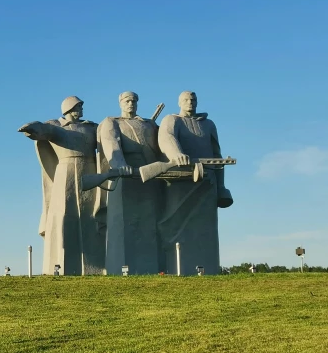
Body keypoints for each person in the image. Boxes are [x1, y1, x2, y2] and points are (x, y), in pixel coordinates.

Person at [19, 96, 125, 275]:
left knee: (90, 217)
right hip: (65, 172)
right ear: (68, 109)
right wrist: (31, 128)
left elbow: (109, 140)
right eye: (78, 106)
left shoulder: (92, 127)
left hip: (90, 171)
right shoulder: (57, 126)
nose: (81, 109)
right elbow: (43, 130)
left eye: (81, 106)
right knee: (64, 216)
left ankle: (96, 268)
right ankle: (61, 265)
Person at [157, 91, 233, 275]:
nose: (190, 102)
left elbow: (217, 156)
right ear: (179, 102)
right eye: (186, 100)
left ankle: (208, 268)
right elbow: (166, 138)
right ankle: (173, 267)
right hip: (180, 181)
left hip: (207, 181)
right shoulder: (172, 120)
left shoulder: (208, 124)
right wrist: (176, 154)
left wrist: (221, 186)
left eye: (193, 100)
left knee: (205, 227)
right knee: (174, 221)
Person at [98, 91, 163, 275]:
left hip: (150, 174)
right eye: (127, 101)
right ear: (120, 103)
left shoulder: (148, 124)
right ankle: (121, 270)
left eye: (134, 100)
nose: (131, 104)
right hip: (125, 176)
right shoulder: (112, 122)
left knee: (149, 223)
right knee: (124, 226)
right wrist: (120, 165)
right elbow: (112, 145)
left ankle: (152, 268)